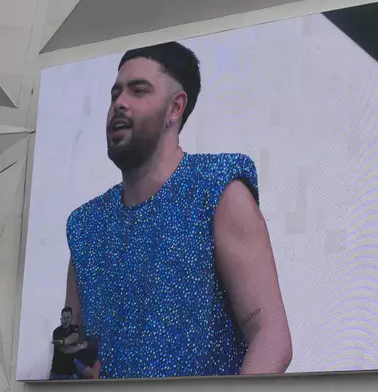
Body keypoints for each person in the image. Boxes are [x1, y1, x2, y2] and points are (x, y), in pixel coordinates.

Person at [65, 41, 292, 379]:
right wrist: (72, 370)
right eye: (115, 94)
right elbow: (71, 350)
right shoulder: (86, 225)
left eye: (138, 91)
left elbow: (271, 337)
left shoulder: (217, 190)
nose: (119, 103)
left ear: (176, 107)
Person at [49, 307, 94, 380]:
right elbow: (65, 350)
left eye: (68, 317)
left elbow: (74, 337)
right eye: (64, 318)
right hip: (56, 373)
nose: (66, 320)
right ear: (61, 319)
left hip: (70, 373)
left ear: (72, 318)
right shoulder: (56, 332)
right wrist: (79, 347)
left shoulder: (75, 328)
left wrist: (63, 341)